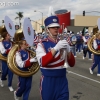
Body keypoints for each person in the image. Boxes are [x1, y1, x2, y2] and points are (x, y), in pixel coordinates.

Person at [36, 15, 75, 100]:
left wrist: (68, 50)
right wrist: (56, 48)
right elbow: (42, 62)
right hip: (48, 81)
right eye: (53, 27)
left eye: (57, 27)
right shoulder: (42, 44)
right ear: (47, 29)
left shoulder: (63, 42)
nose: (56, 29)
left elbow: (72, 64)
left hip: (62, 80)